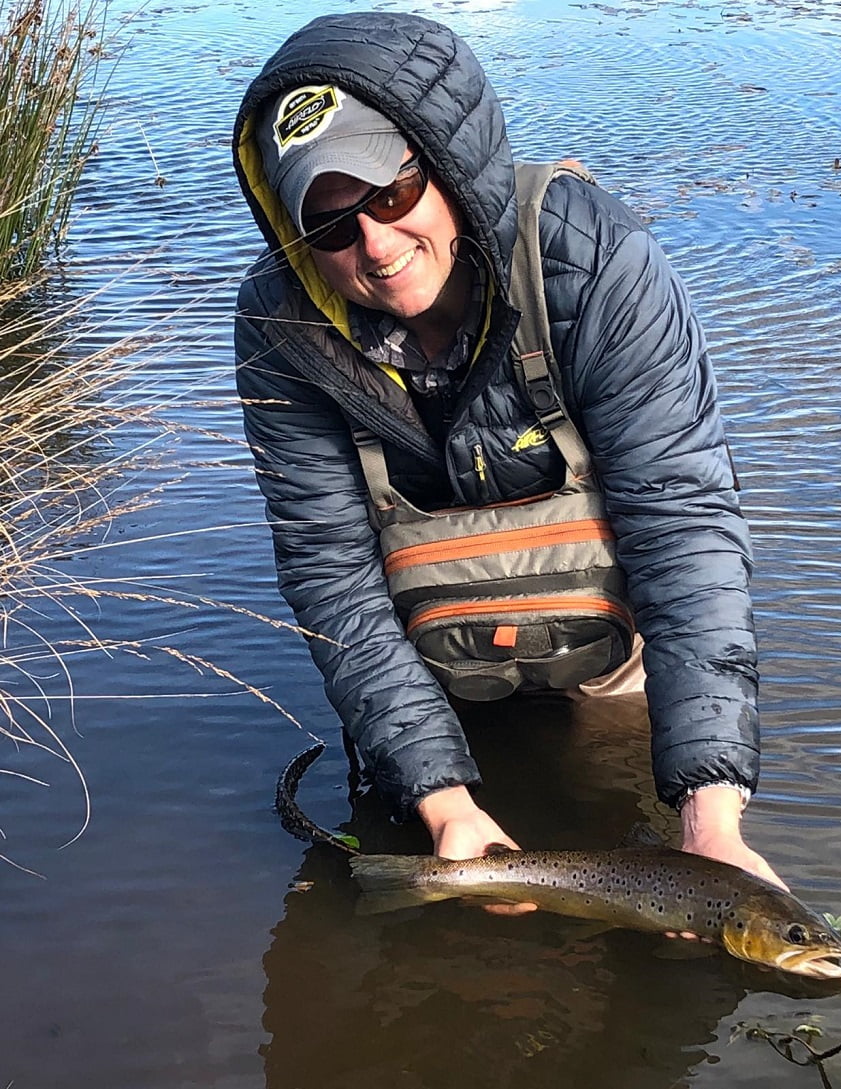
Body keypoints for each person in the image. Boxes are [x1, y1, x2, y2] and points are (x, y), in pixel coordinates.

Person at [231, 11, 785, 898]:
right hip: (423, 668)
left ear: (445, 166)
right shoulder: (280, 328)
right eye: (330, 228)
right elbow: (330, 571)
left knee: (624, 804)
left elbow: (683, 526)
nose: (374, 244)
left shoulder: (595, 259)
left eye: (390, 193)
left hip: (605, 655)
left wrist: (708, 814)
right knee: (409, 858)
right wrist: (442, 800)